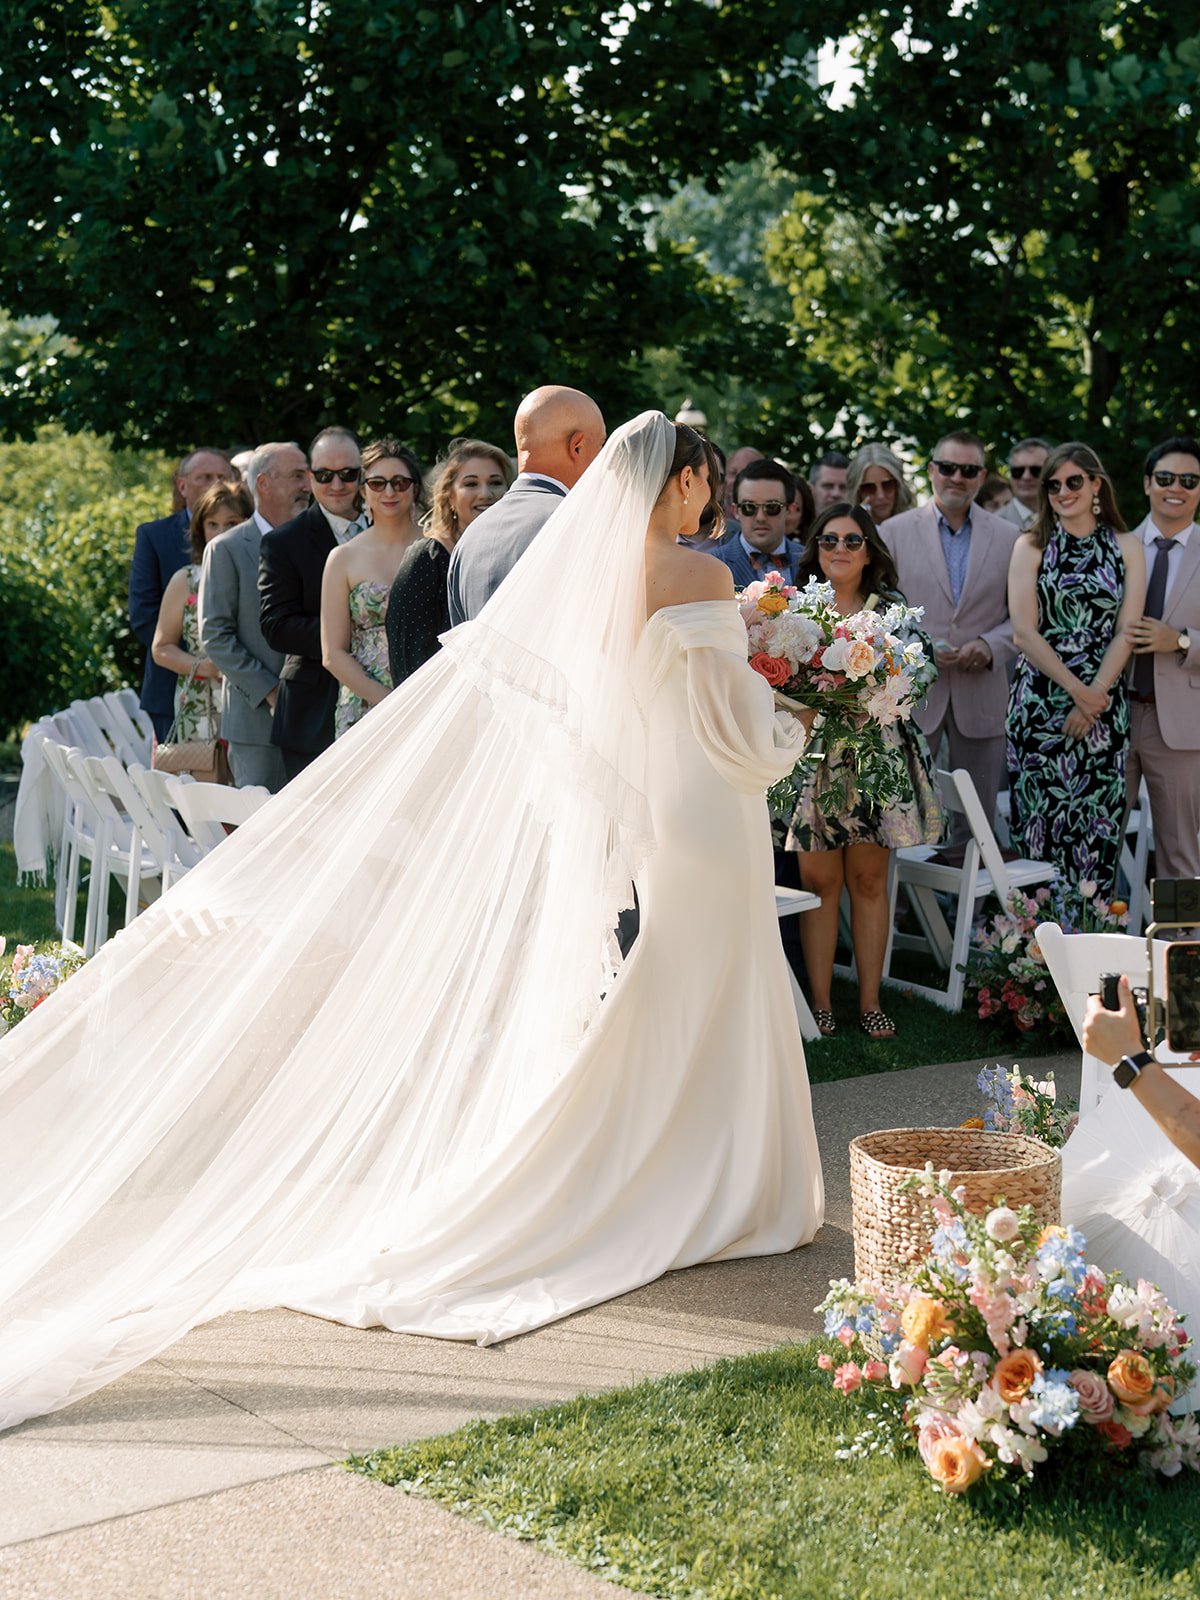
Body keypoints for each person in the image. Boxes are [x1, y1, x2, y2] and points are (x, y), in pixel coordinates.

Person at [0, 412, 824, 1432]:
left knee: (678, 973)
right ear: (684, 484)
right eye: (704, 479)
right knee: (711, 972)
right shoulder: (699, 577)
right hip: (711, 802)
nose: (709, 495)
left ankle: (673, 1160)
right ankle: (716, 1171)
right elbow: (734, 724)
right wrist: (797, 718)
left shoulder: (602, 577)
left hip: (660, 805)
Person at [786, 503, 942, 1040]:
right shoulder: (796, 609)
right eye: (829, 540)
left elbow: (921, 674)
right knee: (819, 883)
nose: (840, 550)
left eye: (852, 541)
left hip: (877, 760)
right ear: (816, 548)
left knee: (870, 881)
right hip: (816, 762)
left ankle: (871, 1001)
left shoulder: (891, 609)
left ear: (869, 549)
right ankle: (823, 1005)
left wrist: (880, 691)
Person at [1006, 442, 1145, 893]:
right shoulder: (1031, 545)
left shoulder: (1127, 546)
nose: (1063, 492)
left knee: (1097, 829)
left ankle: (1092, 944)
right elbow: (1024, 633)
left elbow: (1129, 629)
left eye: (1073, 481)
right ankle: (1032, 954)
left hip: (1103, 708)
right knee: (1038, 832)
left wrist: (1094, 696)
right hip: (1040, 706)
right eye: (1054, 485)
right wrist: (1078, 691)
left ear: (1096, 484)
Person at [880, 431, 1019, 837]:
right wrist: (919, 646)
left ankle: (972, 903)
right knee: (903, 816)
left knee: (977, 822)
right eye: (947, 467)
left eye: (968, 470)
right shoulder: (893, 531)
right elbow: (882, 608)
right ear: (931, 471)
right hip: (913, 694)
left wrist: (990, 645)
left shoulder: (1010, 537)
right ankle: (900, 904)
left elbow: (1027, 616)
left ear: (981, 476)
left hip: (982, 692)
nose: (956, 477)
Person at [446, 386, 605, 624]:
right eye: (601, 446)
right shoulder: (578, 523)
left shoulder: (469, 539)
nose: (604, 459)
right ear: (577, 446)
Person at [197, 444, 304, 792]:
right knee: (261, 834)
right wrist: (270, 691)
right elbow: (215, 635)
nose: (308, 484)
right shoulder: (226, 548)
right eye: (297, 476)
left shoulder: (320, 543)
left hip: (317, 720)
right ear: (264, 483)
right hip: (256, 722)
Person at [259, 427, 363, 779]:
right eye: (324, 475)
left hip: (384, 693)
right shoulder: (283, 542)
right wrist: (350, 632)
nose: (337, 484)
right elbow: (276, 626)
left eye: (348, 474)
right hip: (311, 709)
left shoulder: (390, 527)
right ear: (309, 477)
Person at [1124, 436, 1200, 880]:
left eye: (1190, 480)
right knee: (1098, 841)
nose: (1178, 487)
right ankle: (1096, 943)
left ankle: (1183, 946)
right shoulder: (1116, 547)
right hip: (1110, 716)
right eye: (1167, 478)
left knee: (1180, 855)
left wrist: (1184, 642)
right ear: (1148, 483)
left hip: (1181, 727)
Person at [386, 439, 513, 687]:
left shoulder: (515, 555)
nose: (486, 493)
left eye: (496, 482)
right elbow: (407, 660)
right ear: (450, 496)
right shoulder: (426, 558)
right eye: (471, 483)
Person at [322, 440, 426, 736]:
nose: (389, 492)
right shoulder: (343, 558)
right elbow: (333, 653)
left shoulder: (438, 547)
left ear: (415, 488)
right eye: (378, 483)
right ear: (364, 490)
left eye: (400, 482)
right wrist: (386, 699)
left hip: (429, 696)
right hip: (365, 703)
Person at [129, 448, 233, 741]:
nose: (214, 484)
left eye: (222, 476)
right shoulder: (154, 536)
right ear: (183, 485)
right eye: (204, 477)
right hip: (174, 689)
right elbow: (143, 616)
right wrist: (198, 662)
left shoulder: (249, 535)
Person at [151, 480, 252, 742]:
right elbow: (161, 648)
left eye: (231, 524)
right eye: (212, 524)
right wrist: (204, 667)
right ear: (200, 529)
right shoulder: (185, 580)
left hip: (254, 699)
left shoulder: (263, 574)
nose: (221, 533)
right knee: (206, 782)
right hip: (200, 703)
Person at [712, 458, 804, 586]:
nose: (760, 517)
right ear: (736, 511)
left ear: (789, 509)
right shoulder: (713, 565)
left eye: (772, 507)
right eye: (749, 507)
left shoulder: (811, 560)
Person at [845, 443, 916, 528]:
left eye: (887, 485)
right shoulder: (846, 532)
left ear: (898, 485)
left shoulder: (916, 525)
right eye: (869, 488)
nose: (880, 496)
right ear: (857, 492)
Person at [998, 438, 1052, 530]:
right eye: (1018, 471)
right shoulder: (994, 524)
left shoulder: (1066, 517)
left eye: (1036, 471)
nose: (1026, 477)